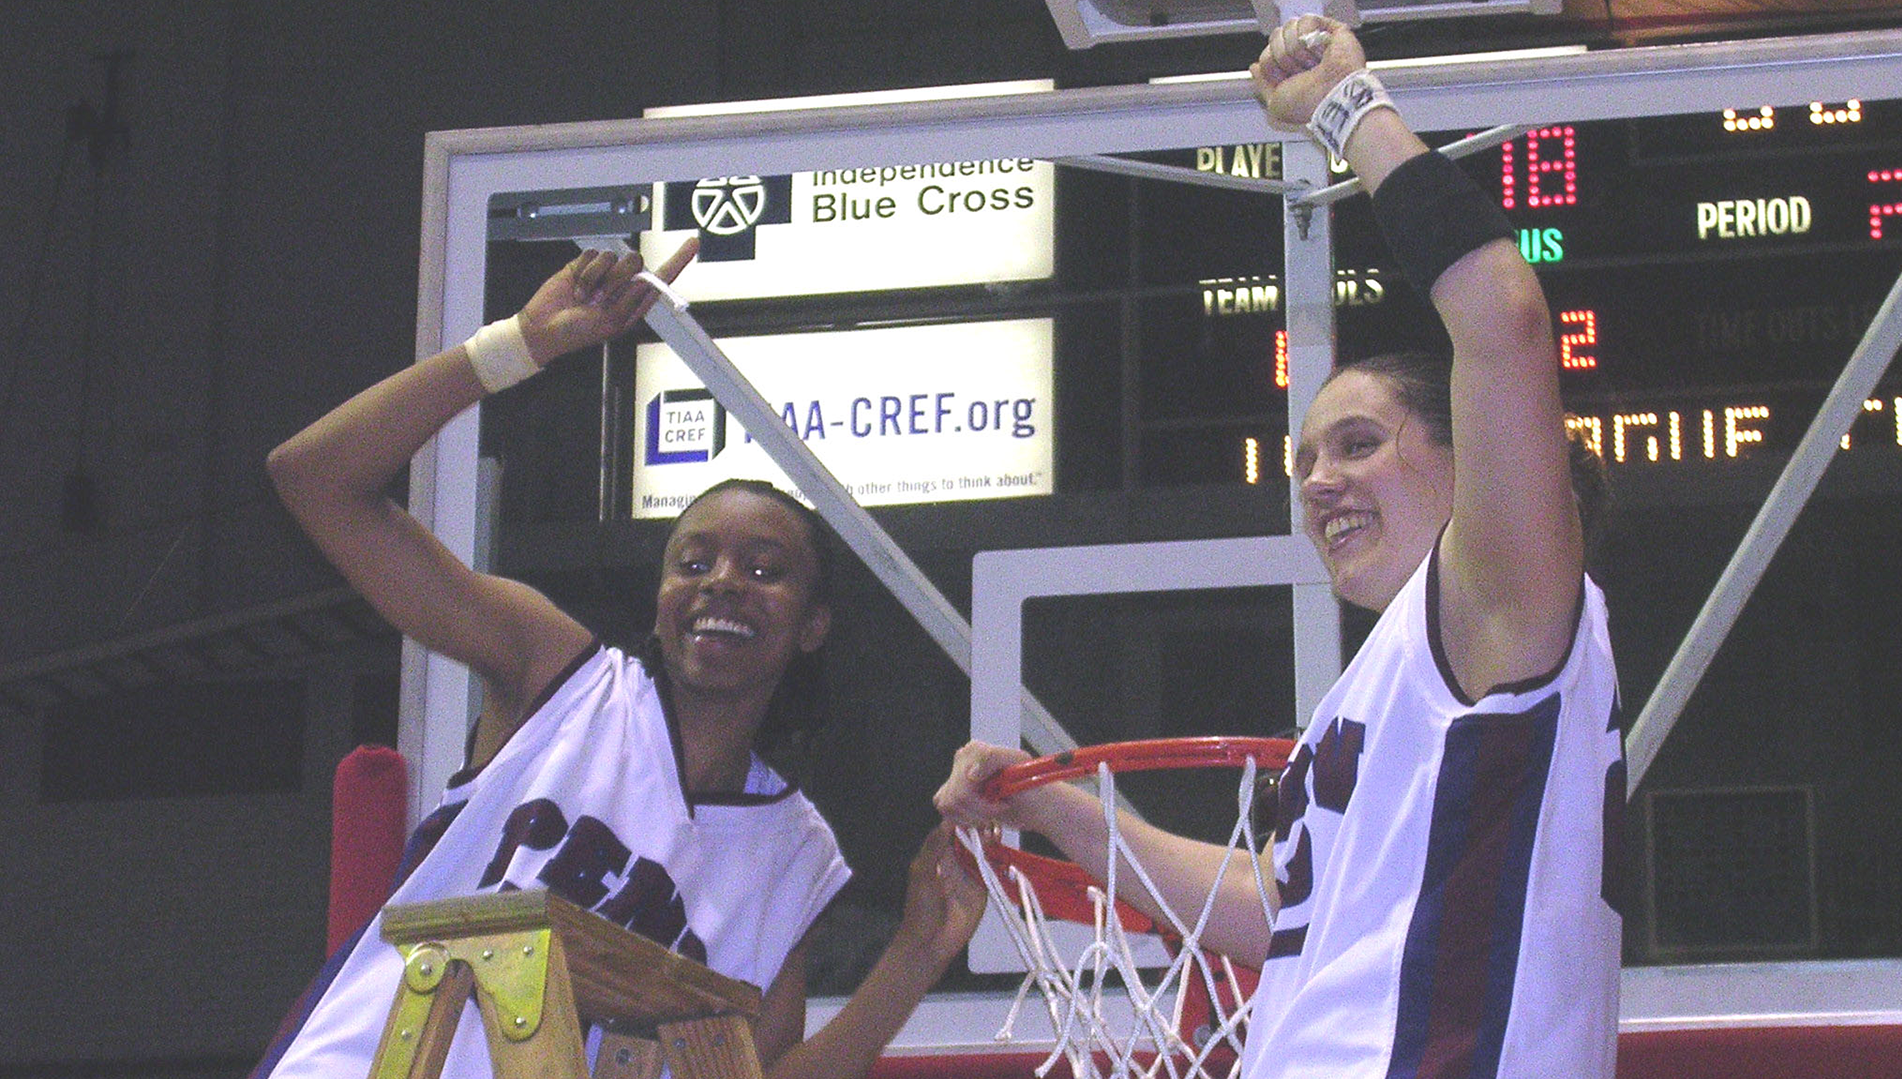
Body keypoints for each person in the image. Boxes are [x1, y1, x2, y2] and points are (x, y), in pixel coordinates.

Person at [937, 17, 1623, 1079]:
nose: (1318, 481)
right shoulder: (1392, 687)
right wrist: (1049, 804)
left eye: (1359, 443)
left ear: (1471, 455)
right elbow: (1264, 907)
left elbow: (1505, 317)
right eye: (1303, 459)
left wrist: (1350, 106)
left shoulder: (1505, 605)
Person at [255, 240, 984, 1079]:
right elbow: (314, 479)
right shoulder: (557, 674)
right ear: (662, 594)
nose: (723, 584)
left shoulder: (792, 851)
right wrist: (519, 345)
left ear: (813, 624)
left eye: (764, 569)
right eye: (694, 560)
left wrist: (917, 954)